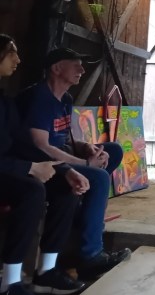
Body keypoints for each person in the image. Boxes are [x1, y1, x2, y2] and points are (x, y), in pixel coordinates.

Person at [15, 47, 131, 281]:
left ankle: (84, 214)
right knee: (99, 177)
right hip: (40, 163)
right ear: (57, 68)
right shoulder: (38, 98)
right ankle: (90, 255)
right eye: (75, 65)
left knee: (114, 151)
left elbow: (65, 140)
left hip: (61, 156)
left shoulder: (65, 99)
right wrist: (84, 163)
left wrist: (86, 147)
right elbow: (41, 146)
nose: (82, 70)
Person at [0, 35, 89, 295]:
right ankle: (10, 283)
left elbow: (21, 143)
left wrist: (65, 170)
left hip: (8, 168)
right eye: (11, 53)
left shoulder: (5, 101)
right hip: (8, 171)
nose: (18, 59)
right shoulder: (33, 97)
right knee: (32, 190)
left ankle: (46, 272)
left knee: (64, 187)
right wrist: (30, 168)